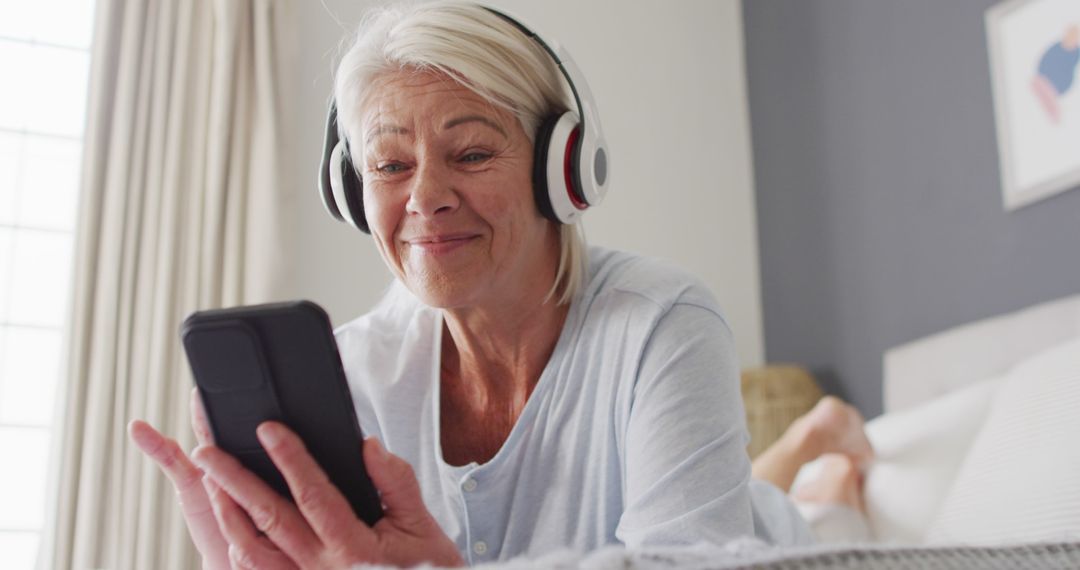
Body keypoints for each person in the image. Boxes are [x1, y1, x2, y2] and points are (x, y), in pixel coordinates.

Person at [129, 2, 873, 568]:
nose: (424, 197)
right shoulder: (351, 372)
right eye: (389, 166)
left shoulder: (661, 320)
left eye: (473, 152)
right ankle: (809, 439)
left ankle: (826, 456)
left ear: (564, 167)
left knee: (825, 515)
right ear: (353, 190)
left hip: (771, 547)